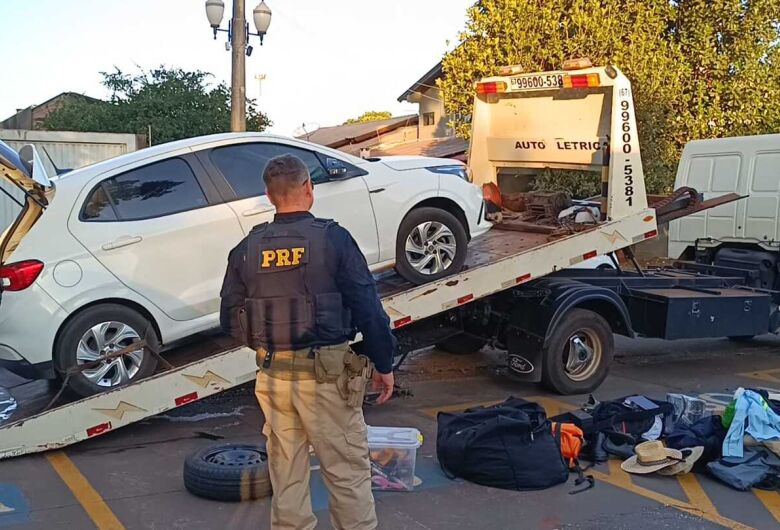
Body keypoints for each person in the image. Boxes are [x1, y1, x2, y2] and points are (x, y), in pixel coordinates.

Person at [220, 154, 396, 530]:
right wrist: (384, 364)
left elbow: (229, 317)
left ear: (269, 195)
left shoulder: (247, 247)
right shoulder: (333, 239)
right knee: (346, 472)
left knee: (286, 475)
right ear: (309, 188)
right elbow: (368, 309)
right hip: (327, 379)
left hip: (273, 379)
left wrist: (269, 348)